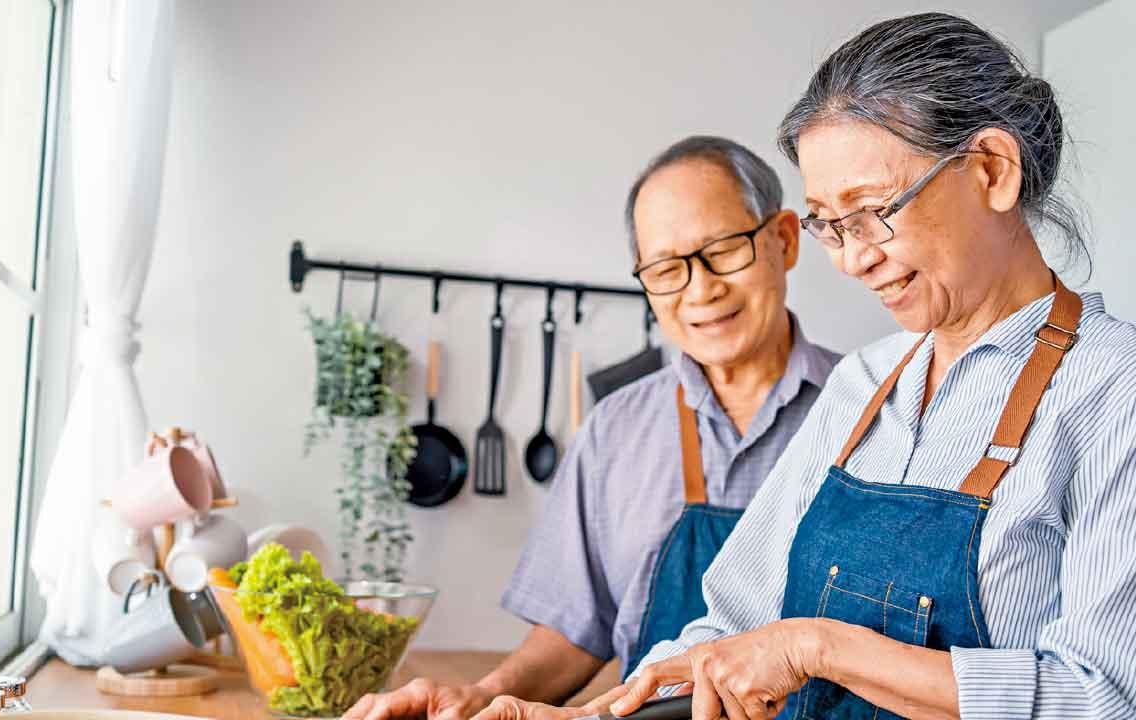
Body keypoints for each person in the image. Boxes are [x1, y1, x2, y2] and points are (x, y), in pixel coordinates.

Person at [470, 13, 1136, 720]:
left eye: (872, 211)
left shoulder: (1113, 391)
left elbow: (1105, 697)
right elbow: (730, 631)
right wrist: (586, 717)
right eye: (831, 225)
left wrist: (819, 648)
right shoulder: (863, 385)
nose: (853, 259)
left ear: (993, 170)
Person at [342, 137, 839, 720]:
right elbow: (575, 632)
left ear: (784, 239)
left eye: (725, 250)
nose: (701, 289)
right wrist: (483, 696)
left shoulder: (871, 411)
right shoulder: (615, 429)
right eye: (667, 269)